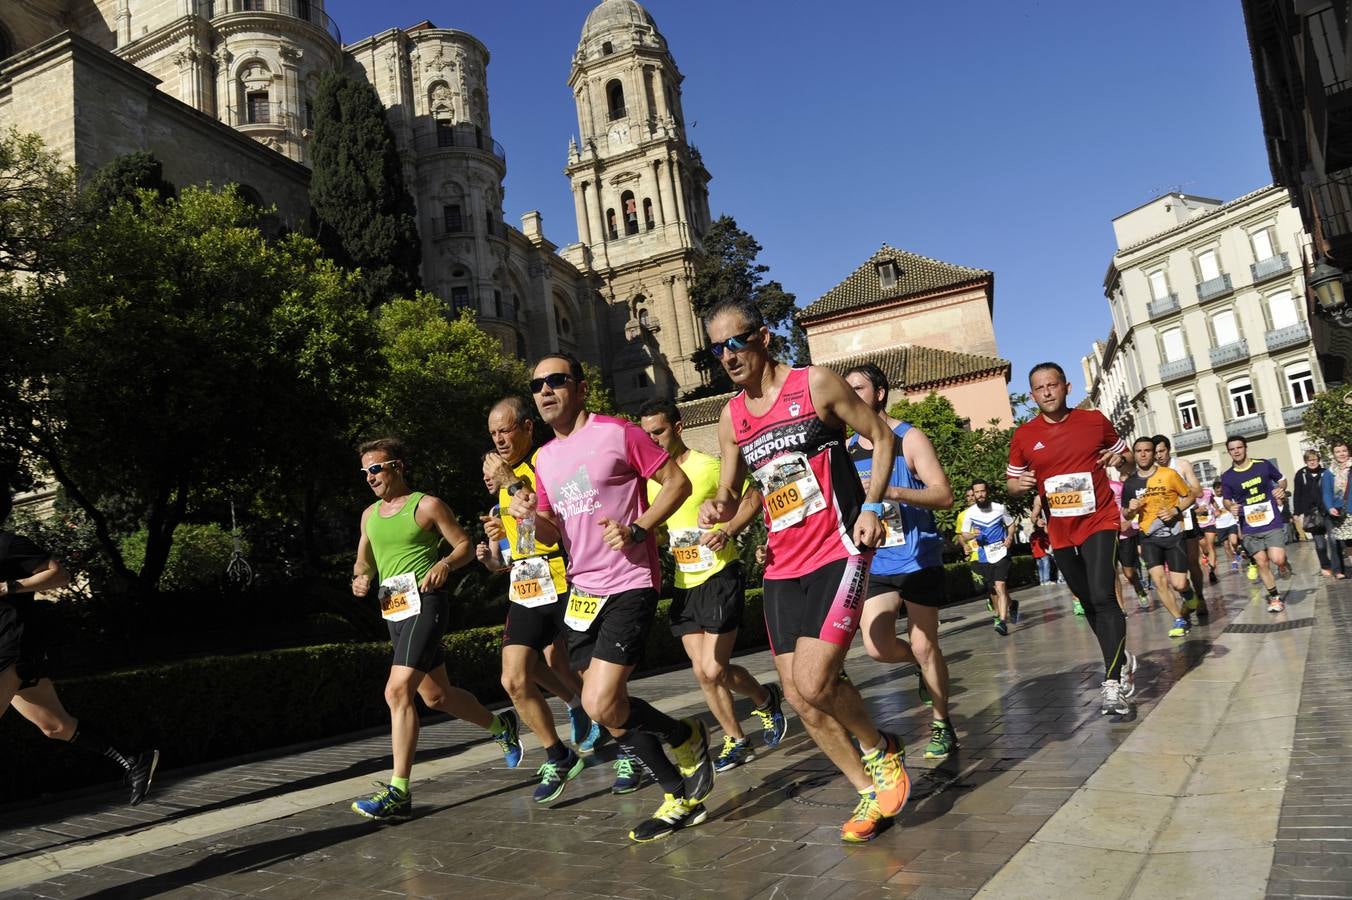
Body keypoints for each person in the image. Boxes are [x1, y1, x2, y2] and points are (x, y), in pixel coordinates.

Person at [699, 299, 911, 844]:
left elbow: (883, 437)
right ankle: (867, 788)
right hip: (781, 567)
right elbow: (734, 488)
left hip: (837, 551)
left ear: (763, 338)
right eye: (715, 348)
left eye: (734, 342)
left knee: (816, 681)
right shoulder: (731, 417)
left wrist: (872, 505)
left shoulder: (814, 384)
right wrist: (720, 509)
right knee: (798, 696)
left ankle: (879, 745)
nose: (727, 356)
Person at [507, 353, 715, 844]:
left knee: (600, 702)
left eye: (556, 380)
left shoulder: (619, 432)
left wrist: (640, 528)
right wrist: (526, 516)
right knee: (606, 707)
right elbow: (553, 533)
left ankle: (683, 746)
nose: (545, 391)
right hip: (583, 592)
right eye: (537, 385)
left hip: (629, 580)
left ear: (580, 388)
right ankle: (677, 782)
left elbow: (678, 483)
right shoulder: (544, 459)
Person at [350, 438, 523, 820]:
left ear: (398, 466)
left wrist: (445, 563)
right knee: (436, 697)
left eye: (376, 469)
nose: (370, 477)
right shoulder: (369, 515)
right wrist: (360, 579)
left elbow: (463, 545)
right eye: (364, 472)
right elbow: (363, 563)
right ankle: (501, 724)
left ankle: (399, 791)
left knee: (397, 692)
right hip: (394, 609)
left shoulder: (426, 505)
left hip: (427, 604)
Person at [637, 399, 788, 773]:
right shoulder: (652, 481)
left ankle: (763, 697)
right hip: (684, 582)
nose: (653, 440)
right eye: (647, 434)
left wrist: (728, 529)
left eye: (659, 431)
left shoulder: (707, 466)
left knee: (713, 667)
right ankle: (736, 739)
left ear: (677, 427)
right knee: (704, 672)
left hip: (720, 574)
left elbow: (753, 496)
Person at [0, 490, 159, 805]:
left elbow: (59, 574)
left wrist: (10, 586)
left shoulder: (6, 543)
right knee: (55, 726)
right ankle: (133, 760)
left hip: (10, 646)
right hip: (15, 650)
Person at [481, 400, 604, 803]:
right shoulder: (503, 479)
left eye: (506, 429)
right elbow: (518, 538)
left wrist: (508, 482)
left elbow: (547, 513)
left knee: (592, 675)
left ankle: (627, 748)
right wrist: (495, 549)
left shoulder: (547, 460)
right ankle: (558, 753)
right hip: (527, 583)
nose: (499, 439)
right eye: (493, 433)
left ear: (528, 427)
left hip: (567, 576)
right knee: (514, 677)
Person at [843, 363, 959, 760]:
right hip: (875, 563)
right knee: (876, 647)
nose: (849, 395)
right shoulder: (846, 450)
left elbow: (944, 495)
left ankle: (942, 723)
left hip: (917, 558)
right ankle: (921, 668)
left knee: (927, 646)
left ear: (879, 393)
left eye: (857, 388)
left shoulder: (909, 438)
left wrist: (887, 491)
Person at [1007, 362, 1137, 717]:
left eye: (1053, 385)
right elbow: (1012, 482)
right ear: (1032, 395)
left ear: (1066, 387)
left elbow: (1126, 459)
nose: (1047, 392)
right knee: (1088, 600)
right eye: (1039, 388)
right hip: (1060, 530)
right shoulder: (1023, 436)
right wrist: (1020, 486)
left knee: (1101, 594)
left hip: (1099, 519)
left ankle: (1112, 682)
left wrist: (1119, 458)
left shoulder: (1094, 420)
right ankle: (1119, 654)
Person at [1123, 437, 1196, 638]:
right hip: (1148, 537)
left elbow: (1190, 495)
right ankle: (1178, 619)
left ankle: (1189, 595)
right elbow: (1126, 514)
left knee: (1179, 584)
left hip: (1174, 534)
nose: (1143, 454)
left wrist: (1175, 509)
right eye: (1138, 451)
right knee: (1159, 581)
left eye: (1147, 450)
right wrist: (1130, 510)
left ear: (1154, 453)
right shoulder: (1130, 483)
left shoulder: (1169, 474)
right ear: (1135, 454)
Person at [1218, 435, 1289, 612]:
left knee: (1277, 558)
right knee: (1262, 562)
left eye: (1239, 447)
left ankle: (1283, 564)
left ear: (1245, 448)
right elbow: (1226, 500)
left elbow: (1282, 479)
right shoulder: (1227, 477)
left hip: (1270, 520)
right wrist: (1231, 507)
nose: (1236, 451)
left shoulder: (1262, 465)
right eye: (1232, 449)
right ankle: (1274, 598)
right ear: (1229, 452)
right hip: (1249, 525)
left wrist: (1281, 488)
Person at [1153, 436, 1208, 621]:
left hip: (1186, 516)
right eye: (1156, 452)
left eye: (1162, 451)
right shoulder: (1152, 472)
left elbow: (1198, 490)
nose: (1159, 456)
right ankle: (1188, 594)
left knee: (1193, 561)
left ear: (1169, 450)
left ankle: (1200, 598)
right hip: (1166, 522)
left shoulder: (1182, 465)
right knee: (1177, 567)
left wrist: (1178, 493)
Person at [959, 481, 1018, 635]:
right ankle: (1012, 604)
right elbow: (964, 534)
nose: (980, 495)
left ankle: (1003, 622)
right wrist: (972, 535)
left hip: (1001, 551)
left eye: (982, 491)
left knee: (1000, 586)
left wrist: (1010, 537)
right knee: (993, 589)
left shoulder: (999, 508)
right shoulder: (970, 513)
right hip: (984, 554)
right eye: (976, 492)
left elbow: (1011, 524)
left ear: (987, 492)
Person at [1295, 449, 1334, 577]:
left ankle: (1336, 565)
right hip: (1310, 513)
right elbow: (1297, 494)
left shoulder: (1325, 473)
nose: (1312, 462)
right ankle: (1325, 566)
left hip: (1327, 511)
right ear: (1306, 461)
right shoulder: (1301, 474)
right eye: (1309, 460)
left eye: (1314, 459)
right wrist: (1297, 512)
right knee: (1320, 543)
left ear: (1318, 460)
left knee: (1333, 540)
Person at [1321, 441, 1352, 579]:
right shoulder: (1329, 473)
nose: (1342, 454)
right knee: (1349, 542)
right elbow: (1326, 492)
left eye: (1344, 451)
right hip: (1343, 511)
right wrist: (1330, 507)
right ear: (1333, 454)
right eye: (1338, 451)